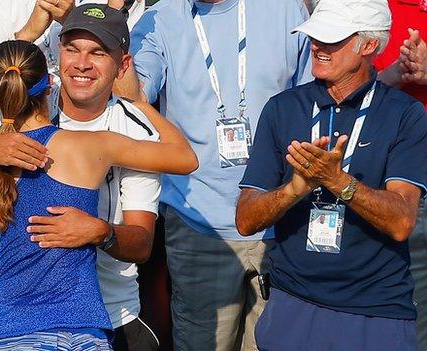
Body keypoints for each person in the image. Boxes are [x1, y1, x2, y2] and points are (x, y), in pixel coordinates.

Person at [0, 4, 168, 350]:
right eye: (71, 49)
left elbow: (142, 243)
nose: (82, 64)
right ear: (54, 64)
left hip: (110, 317)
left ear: (121, 64)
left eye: (97, 52)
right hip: (30, 323)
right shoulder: (14, 109)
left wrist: (101, 232)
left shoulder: (129, 129)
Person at [0, 39, 196, 350]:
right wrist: (137, 103)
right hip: (82, 335)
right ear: (49, 86)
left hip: (7, 333)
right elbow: (185, 158)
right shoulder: (90, 147)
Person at [113, 0, 312, 349]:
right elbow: (133, 102)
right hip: (198, 225)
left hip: (280, 220)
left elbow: (311, 99)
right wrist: (116, 24)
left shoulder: (285, 8)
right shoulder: (158, 19)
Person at [236, 0, 427, 349]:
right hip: (293, 302)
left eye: (332, 39)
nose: (317, 46)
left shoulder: (406, 114)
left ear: (369, 46)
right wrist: (294, 189)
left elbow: (402, 222)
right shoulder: (282, 108)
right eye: (315, 36)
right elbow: (246, 220)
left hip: (375, 310)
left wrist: (338, 182)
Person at [0, 0, 144, 110]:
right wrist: (25, 37)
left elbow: (130, 100)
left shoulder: (116, 3)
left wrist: (76, 23)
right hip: (16, 132)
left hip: (94, 136)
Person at [375, 3, 427, 348]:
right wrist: (392, 76)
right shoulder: (373, 8)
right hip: (398, 187)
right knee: (405, 314)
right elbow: (335, 90)